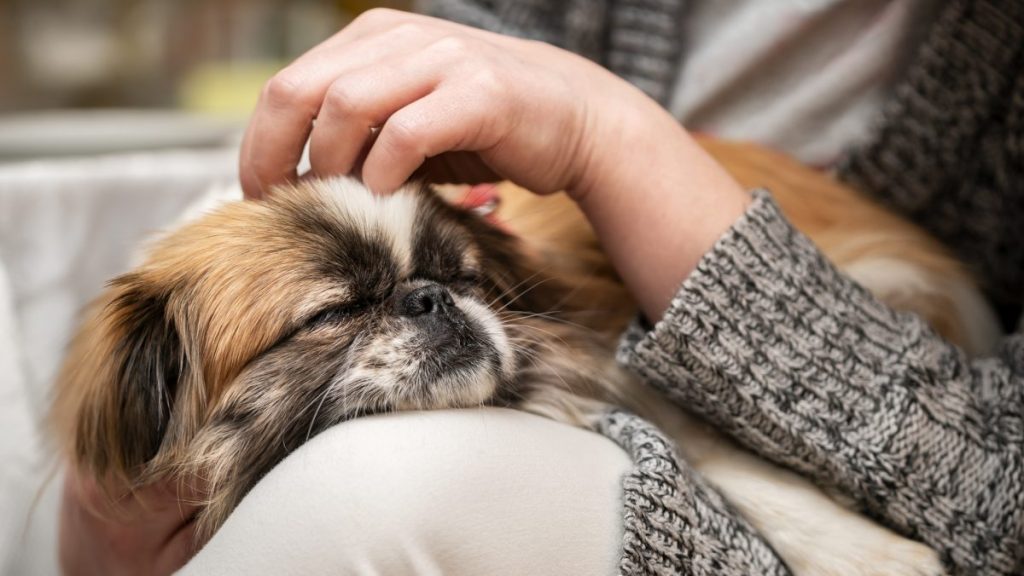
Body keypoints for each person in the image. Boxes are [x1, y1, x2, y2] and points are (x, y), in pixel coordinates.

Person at [59, 2, 1023, 574]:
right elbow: (441, 49)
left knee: (373, 490)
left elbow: (998, 495)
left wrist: (609, 136)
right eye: (337, 312)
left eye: (453, 284)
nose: (433, 309)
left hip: (905, 426)